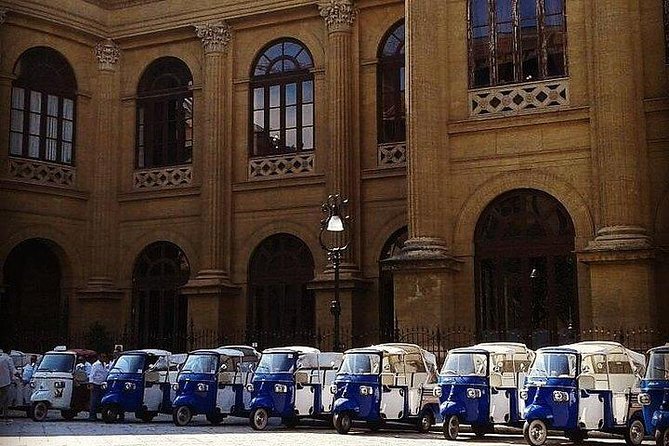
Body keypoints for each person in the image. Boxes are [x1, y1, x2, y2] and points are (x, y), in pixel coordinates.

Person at [0, 346, 20, 423]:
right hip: (5, 382)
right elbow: (14, 371)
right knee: (5, 400)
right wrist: (20, 377)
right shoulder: (8, 359)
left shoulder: (0, 358)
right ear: (9, 351)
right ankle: (6, 418)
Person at [88, 353, 108, 421]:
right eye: (102, 357)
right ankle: (92, 415)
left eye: (105, 357)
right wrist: (91, 384)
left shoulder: (105, 365)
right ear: (99, 357)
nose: (104, 358)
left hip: (102, 385)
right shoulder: (95, 365)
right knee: (94, 400)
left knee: (101, 400)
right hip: (95, 384)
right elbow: (92, 375)